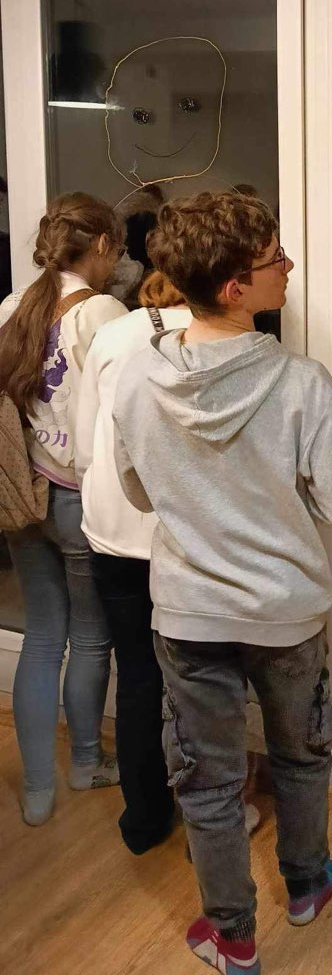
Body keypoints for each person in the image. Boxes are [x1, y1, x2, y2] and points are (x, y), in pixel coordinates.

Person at [110, 191, 332, 975]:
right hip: (285, 614)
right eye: (273, 259)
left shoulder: (137, 376)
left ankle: (231, 937)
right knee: (299, 755)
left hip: (189, 614)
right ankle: (307, 883)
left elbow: (137, 493)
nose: (288, 266)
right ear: (234, 288)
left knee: (207, 781)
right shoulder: (302, 385)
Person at [0, 192, 128, 826]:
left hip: (23, 493)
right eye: (118, 250)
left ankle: (36, 790)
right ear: (101, 244)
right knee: (90, 636)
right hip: (77, 496)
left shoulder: (13, 306)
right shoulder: (103, 311)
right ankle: (85, 762)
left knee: (43, 638)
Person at [75, 269, 192, 854]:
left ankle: (143, 820)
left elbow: (82, 442)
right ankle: (208, 813)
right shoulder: (211, 335)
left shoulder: (111, 335)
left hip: (110, 530)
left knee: (138, 675)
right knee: (198, 678)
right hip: (180, 535)